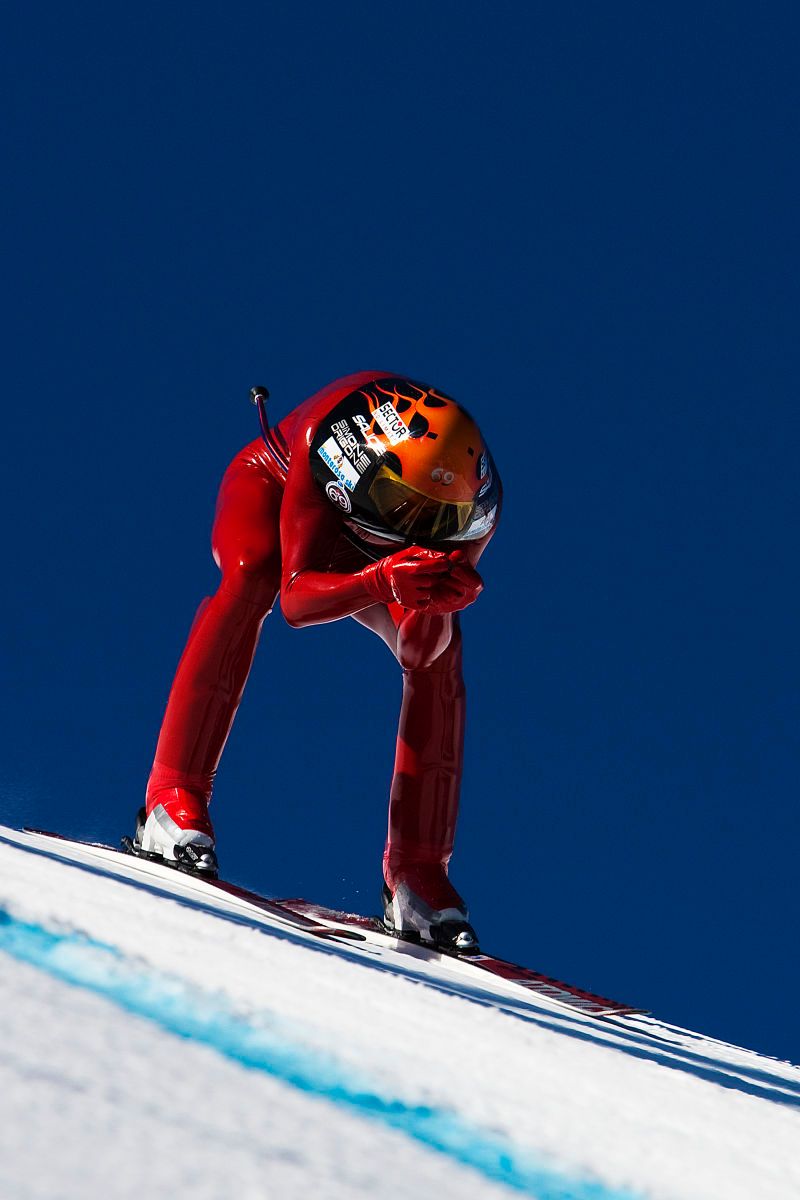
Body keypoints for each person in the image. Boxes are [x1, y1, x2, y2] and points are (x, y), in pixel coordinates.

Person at [132, 371, 501, 951]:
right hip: (282, 488)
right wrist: (382, 577)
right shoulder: (323, 443)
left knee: (439, 654)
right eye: (401, 504)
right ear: (362, 468)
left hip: (366, 543)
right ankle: (172, 796)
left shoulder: (473, 507)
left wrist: (436, 601)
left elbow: (419, 645)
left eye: (434, 519)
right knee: (252, 572)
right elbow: (296, 600)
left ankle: (417, 869)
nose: (415, 528)